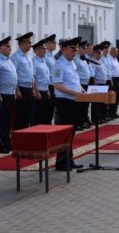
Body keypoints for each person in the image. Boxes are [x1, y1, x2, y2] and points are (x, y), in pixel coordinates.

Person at [52, 37, 84, 171]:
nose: (75, 52)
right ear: (64, 49)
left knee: (71, 132)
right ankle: (61, 163)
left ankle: (69, 160)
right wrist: (74, 93)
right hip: (64, 102)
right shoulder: (59, 65)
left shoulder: (72, 63)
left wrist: (82, 90)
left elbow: (75, 81)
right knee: (64, 134)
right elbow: (57, 85)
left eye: (76, 50)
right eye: (72, 50)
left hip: (74, 101)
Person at [0, 36, 17, 153]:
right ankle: (1, 144)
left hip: (10, 94)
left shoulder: (9, 60)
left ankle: (7, 142)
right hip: (3, 94)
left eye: (10, 46)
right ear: (0, 48)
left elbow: (13, 76)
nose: (10, 48)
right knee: (2, 121)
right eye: (7, 46)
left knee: (8, 121)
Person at [11, 32, 36, 129]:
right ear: (22, 44)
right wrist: (17, 90)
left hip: (29, 89)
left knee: (27, 115)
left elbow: (31, 74)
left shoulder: (29, 56)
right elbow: (14, 74)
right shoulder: (15, 57)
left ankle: (25, 137)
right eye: (28, 42)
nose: (30, 45)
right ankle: (17, 137)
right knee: (19, 116)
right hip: (21, 89)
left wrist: (33, 89)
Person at [32, 39, 52, 125]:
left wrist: (47, 90)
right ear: (36, 50)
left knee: (45, 115)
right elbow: (33, 77)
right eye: (42, 49)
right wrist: (36, 91)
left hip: (45, 91)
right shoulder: (34, 62)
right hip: (39, 91)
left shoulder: (43, 61)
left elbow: (46, 78)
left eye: (45, 49)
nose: (45, 50)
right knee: (37, 116)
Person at [108, 47, 119, 119]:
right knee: (112, 97)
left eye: (117, 51)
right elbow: (109, 70)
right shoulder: (109, 59)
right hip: (113, 79)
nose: (117, 53)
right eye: (115, 51)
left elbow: (116, 69)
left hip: (118, 78)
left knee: (117, 97)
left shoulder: (115, 59)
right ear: (111, 52)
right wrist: (110, 79)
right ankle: (111, 113)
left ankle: (114, 112)